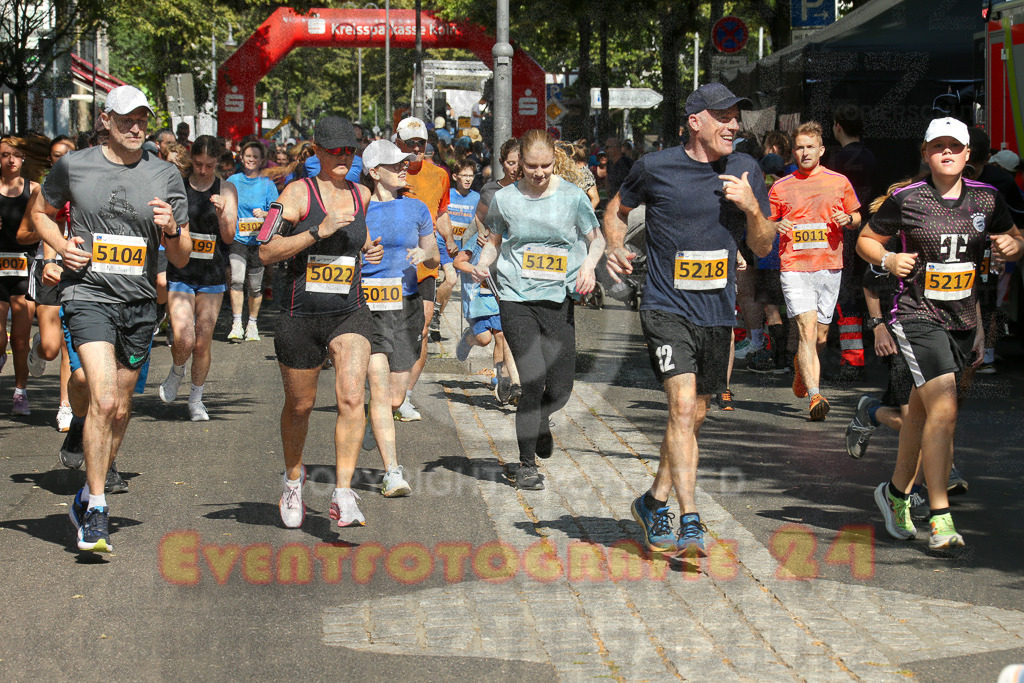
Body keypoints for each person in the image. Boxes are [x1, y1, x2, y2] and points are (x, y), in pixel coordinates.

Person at [604, 83, 774, 555]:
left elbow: (763, 245)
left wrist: (752, 208)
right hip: (665, 306)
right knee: (681, 408)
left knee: (695, 415)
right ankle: (691, 518)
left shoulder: (746, 169)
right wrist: (615, 246)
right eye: (724, 116)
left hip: (717, 312)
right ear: (695, 121)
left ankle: (653, 501)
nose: (734, 125)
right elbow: (617, 209)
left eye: (736, 117)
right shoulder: (655, 167)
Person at [31, 85, 192, 553]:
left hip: (138, 303)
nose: (136, 127)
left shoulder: (164, 173)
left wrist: (172, 229)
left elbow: (181, 256)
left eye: (142, 119)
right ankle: (98, 509)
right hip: (88, 295)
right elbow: (40, 213)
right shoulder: (73, 165)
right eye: (126, 119)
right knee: (103, 399)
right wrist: (61, 247)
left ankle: (85, 494)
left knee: (119, 408)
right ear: (105, 120)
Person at [857, 117, 1023, 550]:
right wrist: (888, 261)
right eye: (938, 146)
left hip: (964, 319)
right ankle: (940, 516)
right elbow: (866, 241)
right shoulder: (907, 198)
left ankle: (894, 494)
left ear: (968, 155)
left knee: (919, 415)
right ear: (926, 154)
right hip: (916, 315)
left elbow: (1013, 238)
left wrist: (1014, 245)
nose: (946, 153)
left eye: (954, 146)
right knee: (945, 410)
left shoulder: (987, 198)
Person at [259, 116, 382, 529]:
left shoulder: (362, 194)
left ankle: (343, 493)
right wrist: (317, 231)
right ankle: (293, 481)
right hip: (301, 316)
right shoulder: (297, 193)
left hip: (349, 311)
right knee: (301, 406)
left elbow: (358, 240)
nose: (344, 157)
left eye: (350, 151)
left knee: (352, 397)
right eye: (335, 151)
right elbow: (266, 249)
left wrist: (370, 248)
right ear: (317, 151)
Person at [470, 129, 603, 491]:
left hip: (558, 300)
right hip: (516, 298)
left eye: (545, 166)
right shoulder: (506, 199)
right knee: (532, 380)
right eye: (531, 166)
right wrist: (482, 264)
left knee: (559, 389)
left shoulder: (573, 197)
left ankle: (542, 418)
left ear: (554, 161)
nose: (539, 173)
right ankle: (526, 465)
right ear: (521, 164)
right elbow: (494, 241)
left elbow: (596, 239)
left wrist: (589, 267)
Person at [359, 139, 440, 496]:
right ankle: (392, 472)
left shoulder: (417, 208)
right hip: (369, 305)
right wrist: (363, 258)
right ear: (375, 172)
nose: (404, 167)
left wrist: (424, 255)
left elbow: (434, 255)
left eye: (404, 163)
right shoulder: (359, 208)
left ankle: (373, 420)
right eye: (395, 165)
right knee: (379, 390)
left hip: (406, 305)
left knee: (394, 398)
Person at [770, 121, 861, 421]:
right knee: (807, 331)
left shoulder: (839, 182)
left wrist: (848, 219)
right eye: (800, 147)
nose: (805, 152)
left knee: (820, 337)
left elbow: (857, 216)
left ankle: (802, 366)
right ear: (793, 151)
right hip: (795, 267)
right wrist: (775, 225)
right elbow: (766, 223)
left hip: (828, 266)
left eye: (810, 147)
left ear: (821, 150)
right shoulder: (780, 186)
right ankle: (815, 395)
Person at [159, 136, 238, 420]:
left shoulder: (226, 189)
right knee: (184, 336)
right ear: (190, 159)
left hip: (211, 273)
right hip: (181, 269)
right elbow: (165, 231)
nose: (203, 170)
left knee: (202, 341)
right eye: (198, 164)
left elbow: (229, 237)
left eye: (209, 165)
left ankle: (196, 399)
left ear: (217, 163)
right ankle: (177, 370)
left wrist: (223, 214)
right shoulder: (177, 186)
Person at [394, 116, 456, 421]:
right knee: (390, 330)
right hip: (393, 264)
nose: (416, 148)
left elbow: (441, 212)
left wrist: (450, 241)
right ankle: (385, 390)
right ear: (398, 143)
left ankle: (404, 396)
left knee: (421, 328)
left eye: (421, 143)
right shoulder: (389, 172)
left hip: (425, 264)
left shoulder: (439, 175)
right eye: (410, 143)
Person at [18, 137, 77, 429]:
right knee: (52, 347)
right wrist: (45, 232)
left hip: (77, 267)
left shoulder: (86, 189)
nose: (61, 160)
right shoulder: (42, 193)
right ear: (50, 160)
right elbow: (22, 235)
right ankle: (38, 347)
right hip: (47, 269)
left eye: (67, 155)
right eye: (56, 155)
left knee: (70, 343)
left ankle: (65, 405)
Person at [0, 136, 40, 415]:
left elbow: (45, 226)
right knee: (1, 340)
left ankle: (20, 392)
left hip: (24, 268)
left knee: (21, 339)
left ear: (24, 158)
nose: (11, 160)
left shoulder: (34, 189)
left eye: (15, 154)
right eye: (5, 154)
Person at [227, 141, 278, 342]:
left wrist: (264, 214)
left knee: (255, 286)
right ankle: (236, 323)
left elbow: (277, 212)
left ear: (262, 160)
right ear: (241, 158)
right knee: (237, 279)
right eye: (248, 156)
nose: (251, 160)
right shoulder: (233, 181)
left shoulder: (267, 184)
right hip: (238, 238)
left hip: (259, 241)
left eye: (255, 157)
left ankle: (252, 324)